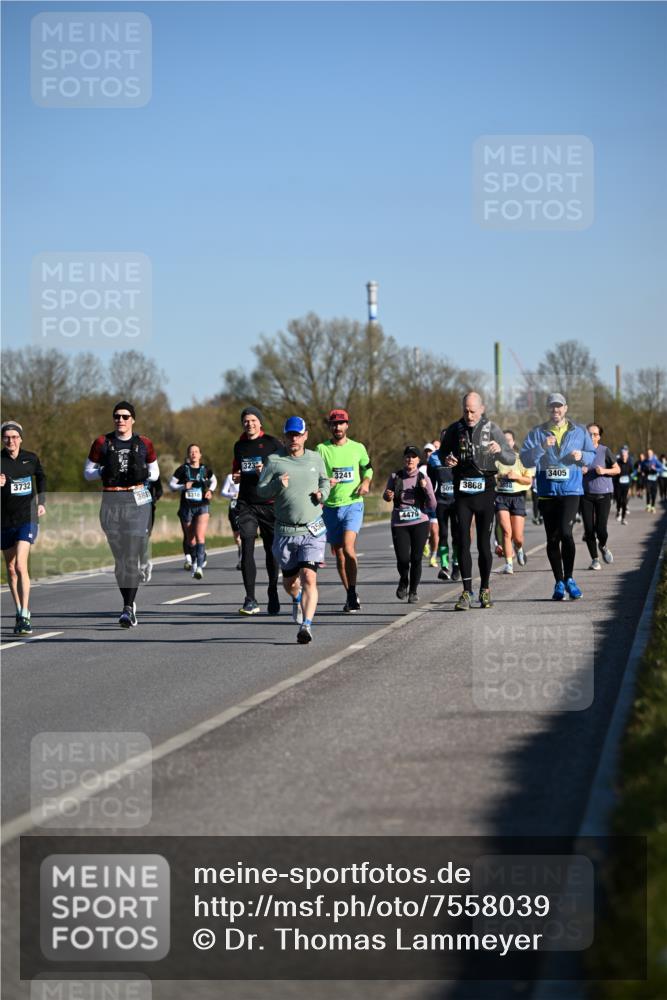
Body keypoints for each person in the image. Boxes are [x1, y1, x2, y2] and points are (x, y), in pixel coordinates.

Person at [84, 401, 159, 627]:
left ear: (133, 419)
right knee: (120, 560)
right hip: (111, 500)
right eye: (117, 416)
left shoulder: (144, 443)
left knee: (131, 557)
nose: (121, 420)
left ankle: (127, 608)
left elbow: (155, 474)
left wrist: (140, 472)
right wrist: (104, 470)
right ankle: (128, 600)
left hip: (136, 501)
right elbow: (87, 472)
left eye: (126, 416)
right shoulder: (102, 442)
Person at [257, 416, 330, 643]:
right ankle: (296, 599)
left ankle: (306, 627)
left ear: (306, 435)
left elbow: (324, 481)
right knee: (290, 583)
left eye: (298, 435)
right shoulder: (274, 461)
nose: (294, 439)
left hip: (312, 529)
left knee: (309, 576)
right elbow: (261, 491)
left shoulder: (315, 458)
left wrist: (322, 494)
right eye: (290, 435)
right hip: (285, 532)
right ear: (284, 437)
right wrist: (277, 484)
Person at [440, 392, 516, 610]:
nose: (469, 414)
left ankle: (484, 589)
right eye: (465, 410)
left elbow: (511, 458)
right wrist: (448, 459)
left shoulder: (492, 429)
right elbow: (441, 454)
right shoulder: (455, 429)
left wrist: (500, 450)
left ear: (482, 409)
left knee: (484, 544)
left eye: (473, 410)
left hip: (485, 491)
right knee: (462, 541)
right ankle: (466, 592)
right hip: (463, 491)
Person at [520, 393, 595, 601]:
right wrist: (542, 447)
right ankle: (559, 582)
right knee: (552, 538)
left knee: (566, 533)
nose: (556, 410)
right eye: (552, 407)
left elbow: (592, 454)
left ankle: (570, 578)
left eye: (559, 407)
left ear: (566, 408)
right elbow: (525, 460)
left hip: (571, 491)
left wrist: (582, 456)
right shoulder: (537, 433)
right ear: (548, 409)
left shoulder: (579, 431)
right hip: (547, 492)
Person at [316, 408, 373, 613]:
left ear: (347, 425)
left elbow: (368, 467)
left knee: (349, 549)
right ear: (330, 426)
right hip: (330, 508)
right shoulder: (321, 449)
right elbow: (316, 474)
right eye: (334, 424)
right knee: (339, 555)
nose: (337, 427)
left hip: (353, 503)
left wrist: (366, 482)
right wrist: (324, 483)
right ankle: (350, 593)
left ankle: (352, 591)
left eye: (341, 423)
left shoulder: (358, 448)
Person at [233, 406, 283, 615]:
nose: (250, 424)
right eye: (246, 421)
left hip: (269, 503)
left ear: (260, 423)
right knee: (247, 545)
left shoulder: (272, 443)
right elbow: (236, 469)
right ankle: (250, 599)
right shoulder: (239, 445)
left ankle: (273, 590)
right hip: (246, 503)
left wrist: (268, 471)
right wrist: (236, 475)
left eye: (253, 420)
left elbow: (284, 469)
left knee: (271, 551)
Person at [1, 421, 46, 635]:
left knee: (20, 565)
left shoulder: (31, 458)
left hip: (26, 519)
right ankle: (19, 611)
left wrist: (42, 502)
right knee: (10, 569)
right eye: (7, 437)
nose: (11, 440)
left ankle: (26, 613)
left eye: (14, 436)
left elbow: (42, 477)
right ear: (3, 439)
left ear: (21, 438)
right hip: (4, 521)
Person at [383, 445, 438, 603]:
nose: (410, 459)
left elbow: (433, 505)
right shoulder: (395, 477)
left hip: (420, 522)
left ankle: (413, 591)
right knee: (402, 559)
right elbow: (386, 497)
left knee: (416, 558)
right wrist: (388, 495)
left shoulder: (423, 478)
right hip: (399, 523)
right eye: (407, 456)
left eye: (413, 457)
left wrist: (425, 489)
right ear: (404, 459)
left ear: (418, 460)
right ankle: (403, 580)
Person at [169, 445, 217, 579]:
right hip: (187, 507)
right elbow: (171, 485)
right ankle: (195, 561)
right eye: (191, 452)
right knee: (191, 540)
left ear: (200, 455)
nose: (194, 454)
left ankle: (199, 568)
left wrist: (210, 491)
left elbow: (214, 481)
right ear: (188, 455)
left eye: (196, 452)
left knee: (200, 537)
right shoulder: (182, 469)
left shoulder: (205, 469)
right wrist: (183, 486)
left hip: (202, 505)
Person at [494, 429, 534, 575]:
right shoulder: (495, 460)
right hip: (501, 497)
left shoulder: (522, 459)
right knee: (506, 531)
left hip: (517, 497)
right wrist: (498, 476)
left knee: (517, 537)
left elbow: (529, 480)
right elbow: (490, 478)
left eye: (508, 440)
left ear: (513, 442)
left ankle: (519, 548)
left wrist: (516, 477)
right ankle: (509, 564)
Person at [581, 424, 620, 570]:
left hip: (604, 494)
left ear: (599, 436)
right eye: (589, 434)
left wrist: (603, 470)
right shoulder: (580, 452)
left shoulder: (605, 451)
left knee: (601, 529)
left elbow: (617, 469)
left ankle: (603, 546)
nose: (592, 437)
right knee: (589, 529)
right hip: (585, 494)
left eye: (595, 434)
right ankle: (595, 559)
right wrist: (579, 470)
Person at [427, 444, 459, 581]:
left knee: (457, 535)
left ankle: (456, 564)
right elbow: (430, 479)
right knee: (443, 534)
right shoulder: (434, 457)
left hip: (457, 502)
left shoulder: (459, 455)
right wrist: (430, 498)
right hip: (441, 502)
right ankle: (444, 566)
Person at [139, 475, 163, 583]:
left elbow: (159, 490)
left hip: (148, 509)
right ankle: (140, 566)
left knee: (143, 538)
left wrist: (154, 499)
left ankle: (144, 564)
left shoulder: (152, 473)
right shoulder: (128, 469)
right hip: (131, 509)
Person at [420, 443, 440, 567]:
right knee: (424, 530)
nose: (428, 454)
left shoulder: (438, 466)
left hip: (435, 502)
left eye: (431, 452)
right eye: (426, 452)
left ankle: (433, 556)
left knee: (434, 530)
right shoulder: (420, 468)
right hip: (422, 503)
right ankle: (424, 544)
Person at [220, 471, 242, 569]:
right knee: (238, 537)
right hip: (234, 507)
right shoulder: (230, 477)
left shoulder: (250, 474)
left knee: (246, 535)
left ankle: (243, 560)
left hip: (247, 507)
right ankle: (241, 558)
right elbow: (223, 492)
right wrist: (233, 494)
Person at [615, 446, 633, 525]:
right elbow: (614, 474)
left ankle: (623, 518)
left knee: (624, 501)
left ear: (627, 456)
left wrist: (630, 487)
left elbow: (631, 475)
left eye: (625, 455)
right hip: (618, 485)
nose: (624, 457)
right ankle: (618, 510)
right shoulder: (617, 462)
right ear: (621, 455)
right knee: (618, 500)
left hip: (626, 485)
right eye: (623, 455)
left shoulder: (630, 463)